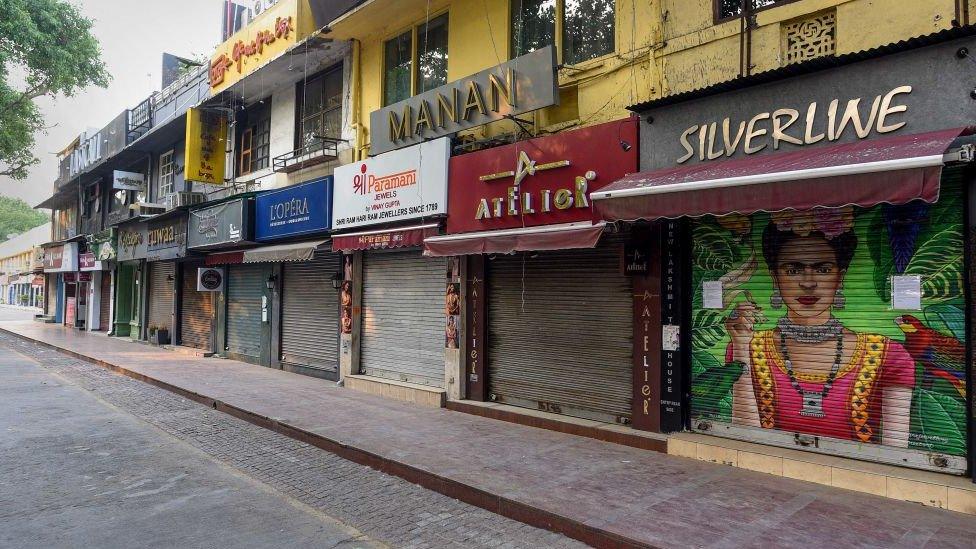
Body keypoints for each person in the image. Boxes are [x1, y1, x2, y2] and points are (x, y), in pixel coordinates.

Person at [724, 208, 915, 446]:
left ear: (840, 278)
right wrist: (741, 348)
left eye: (823, 269)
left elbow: (896, 452)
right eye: (793, 270)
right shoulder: (748, 346)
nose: (808, 283)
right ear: (775, 278)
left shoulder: (889, 355)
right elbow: (746, 439)